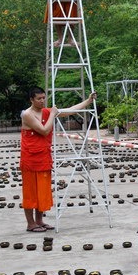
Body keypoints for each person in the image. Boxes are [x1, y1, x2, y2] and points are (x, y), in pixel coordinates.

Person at [20, 87, 96, 232]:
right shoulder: (27, 114)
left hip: (43, 157)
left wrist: (88, 101)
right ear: (31, 100)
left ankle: (39, 221)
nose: (42, 101)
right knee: (30, 193)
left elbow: (70, 110)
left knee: (42, 191)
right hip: (30, 159)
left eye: (44, 98)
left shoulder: (47, 112)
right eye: (39, 98)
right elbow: (44, 130)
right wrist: (53, 114)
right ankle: (30, 224)